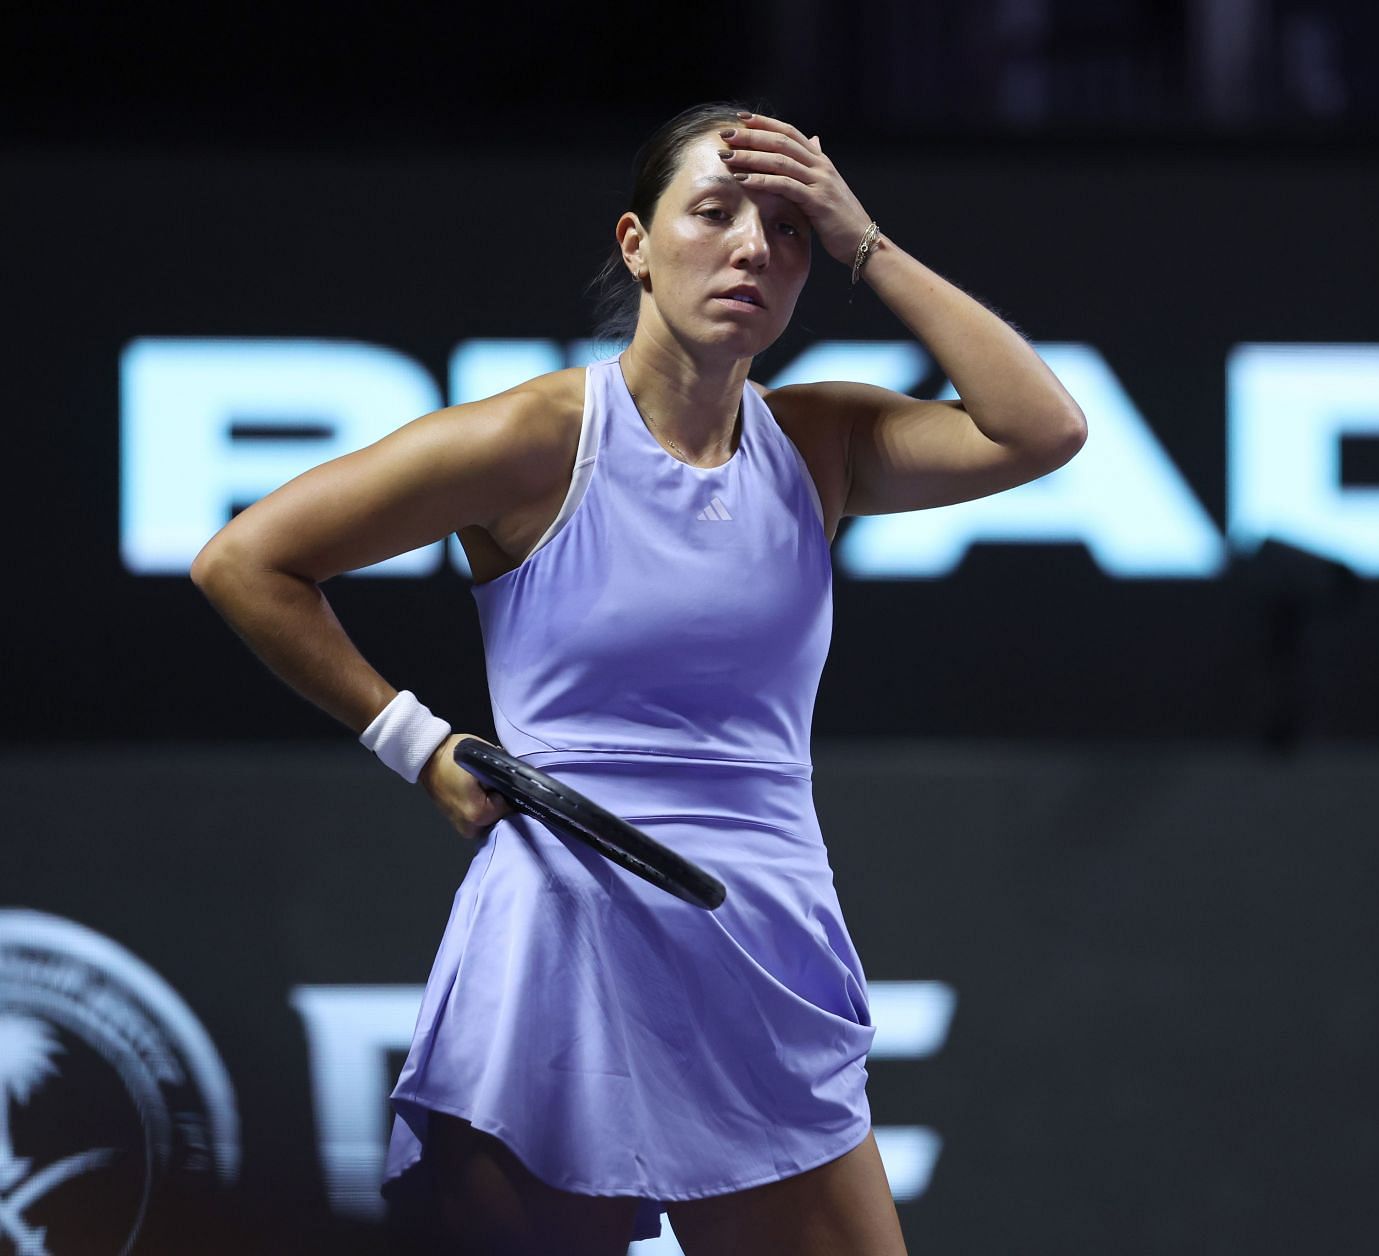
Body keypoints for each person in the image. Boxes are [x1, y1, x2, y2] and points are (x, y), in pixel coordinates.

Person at [190, 101, 1085, 1255]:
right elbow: (247, 558)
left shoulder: (821, 442)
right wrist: (415, 741)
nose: (754, 248)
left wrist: (864, 237)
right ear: (636, 244)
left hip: (762, 936)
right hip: (565, 941)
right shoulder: (533, 437)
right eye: (713, 214)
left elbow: (1042, 429)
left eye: (788, 228)